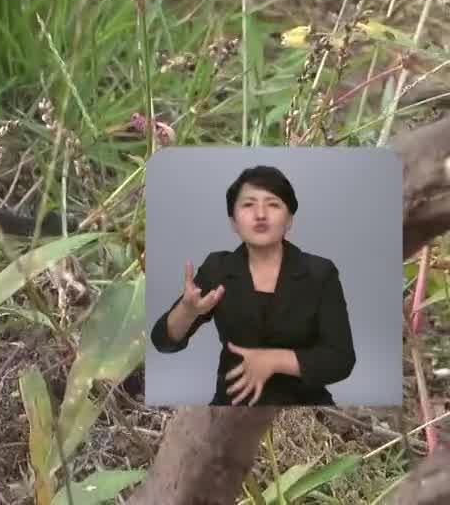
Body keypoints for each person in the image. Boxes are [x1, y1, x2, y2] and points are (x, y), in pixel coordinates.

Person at [148, 164, 356, 406]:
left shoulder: (320, 273)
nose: (260, 214)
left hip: (305, 406)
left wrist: (273, 360)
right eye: (248, 205)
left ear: (289, 220)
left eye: (273, 204)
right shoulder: (219, 268)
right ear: (234, 222)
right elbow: (162, 342)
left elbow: (340, 360)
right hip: (233, 406)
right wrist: (187, 311)